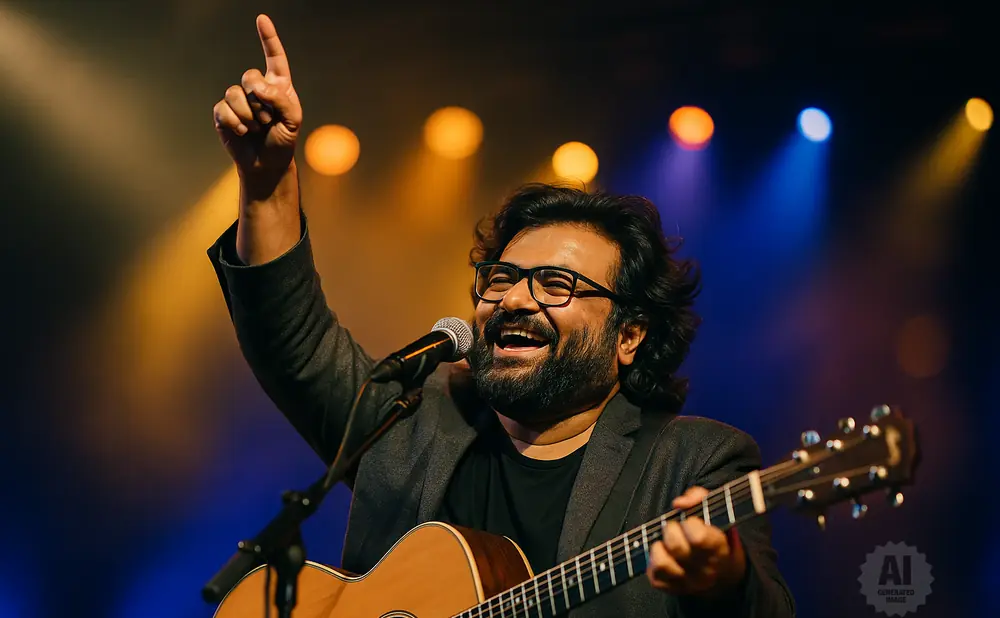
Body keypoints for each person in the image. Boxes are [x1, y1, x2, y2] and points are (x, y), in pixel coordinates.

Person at [208, 14, 796, 618]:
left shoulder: (693, 461)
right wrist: (267, 184)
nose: (513, 299)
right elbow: (295, 343)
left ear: (630, 335)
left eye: (556, 284)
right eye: (502, 278)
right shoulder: (412, 425)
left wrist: (725, 580)